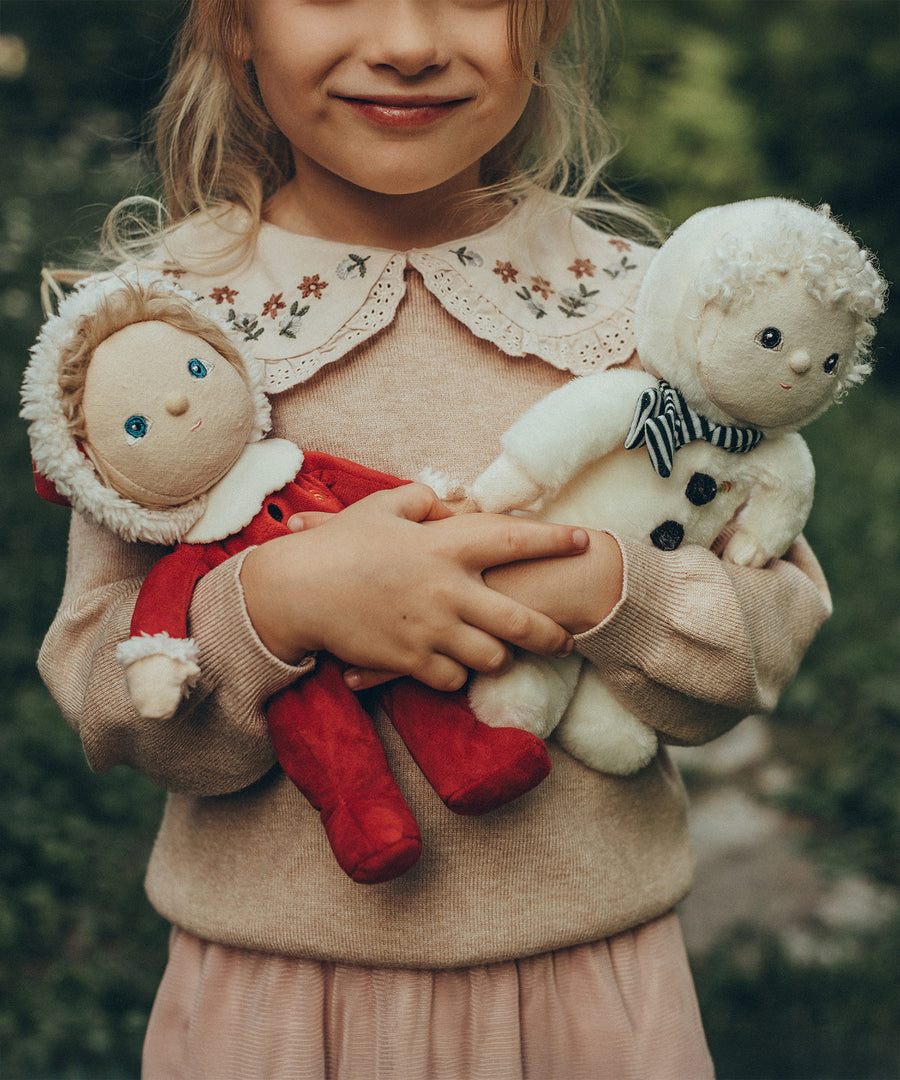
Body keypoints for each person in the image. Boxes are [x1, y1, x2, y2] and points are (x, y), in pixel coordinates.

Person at [32, 1, 832, 1076]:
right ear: (233, 25)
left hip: (589, 999)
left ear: (547, 21)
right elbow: (106, 693)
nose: (408, 40)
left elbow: (765, 629)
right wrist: (277, 607)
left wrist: (601, 589)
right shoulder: (160, 338)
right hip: (276, 1010)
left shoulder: (650, 314)